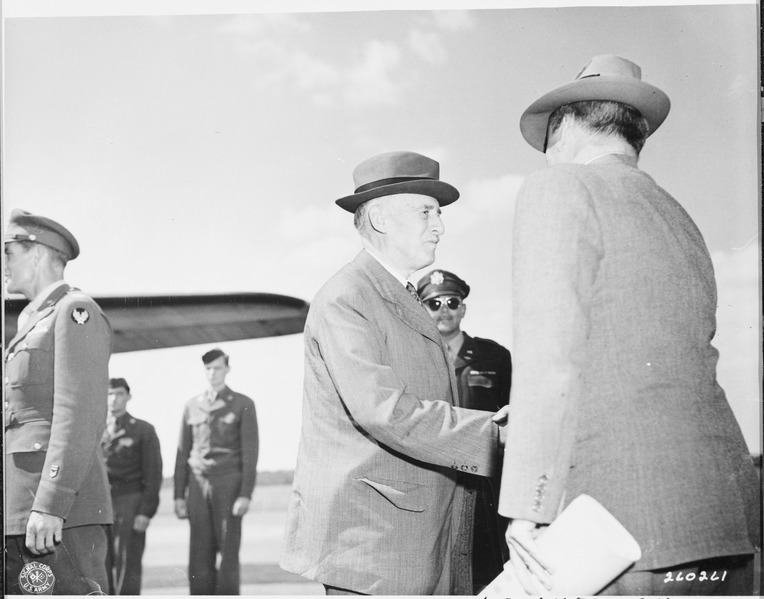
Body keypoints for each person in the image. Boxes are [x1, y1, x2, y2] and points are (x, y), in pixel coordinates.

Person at [498, 55, 761, 596]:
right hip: (721, 520)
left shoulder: (559, 187)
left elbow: (550, 359)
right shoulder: (676, 213)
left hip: (617, 525)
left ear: (565, 125)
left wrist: (527, 505)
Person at [280, 150, 506, 595]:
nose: (439, 226)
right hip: (375, 547)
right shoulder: (349, 297)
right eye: (426, 211)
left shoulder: (394, 294)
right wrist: (494, 434)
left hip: (407, 539)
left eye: (438, 214)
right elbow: (386, 410)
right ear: (381, 217)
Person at [4, 209, 113, 595]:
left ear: (35, 254)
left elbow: (78, 416)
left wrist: (50, 504)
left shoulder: (72, 312)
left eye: (9, 252)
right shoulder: (30, 322)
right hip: (23, 514)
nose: (4, 264)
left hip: (58, 517)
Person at [417, 269, 513, 592]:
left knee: (489, 575)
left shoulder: (495, 356)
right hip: (435, 484)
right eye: (433, 303)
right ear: (421, 308)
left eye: (452, 301)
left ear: (463, 308)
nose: (444, 309)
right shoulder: (412, 359)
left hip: (485, 489)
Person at [173, 348, 259, 595]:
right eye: (208, 368)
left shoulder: (243, 404)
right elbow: (182, 454)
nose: (213, 373)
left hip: (229, 485)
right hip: (198, 486)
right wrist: (179, 495)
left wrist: (245, 494)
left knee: (228, 552)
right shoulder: (192, 406)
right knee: (198, 553)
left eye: (218, 367)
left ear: (227, 369)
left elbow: (250, 454)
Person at [102, 377, 163, 595]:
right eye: (109, 394)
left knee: (127, 567)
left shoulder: (143, 430)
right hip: (101, 506)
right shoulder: (95, 429)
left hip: (130, 504)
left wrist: (146, 512)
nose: (113, 399)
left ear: (128, 397)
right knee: (100, 565)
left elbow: (154, 474)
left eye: (119, 394)